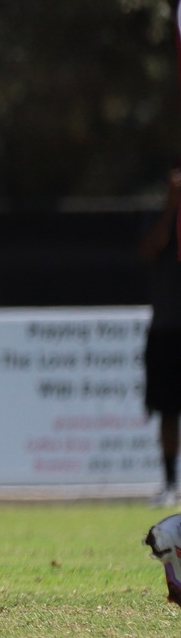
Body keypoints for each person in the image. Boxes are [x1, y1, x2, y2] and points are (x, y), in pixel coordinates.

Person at [144, 167, 181, 507]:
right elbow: (151, 248)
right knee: (168, 409)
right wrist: (172, 207)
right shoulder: (160, 219)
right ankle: (170, 483)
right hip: (168, 329)